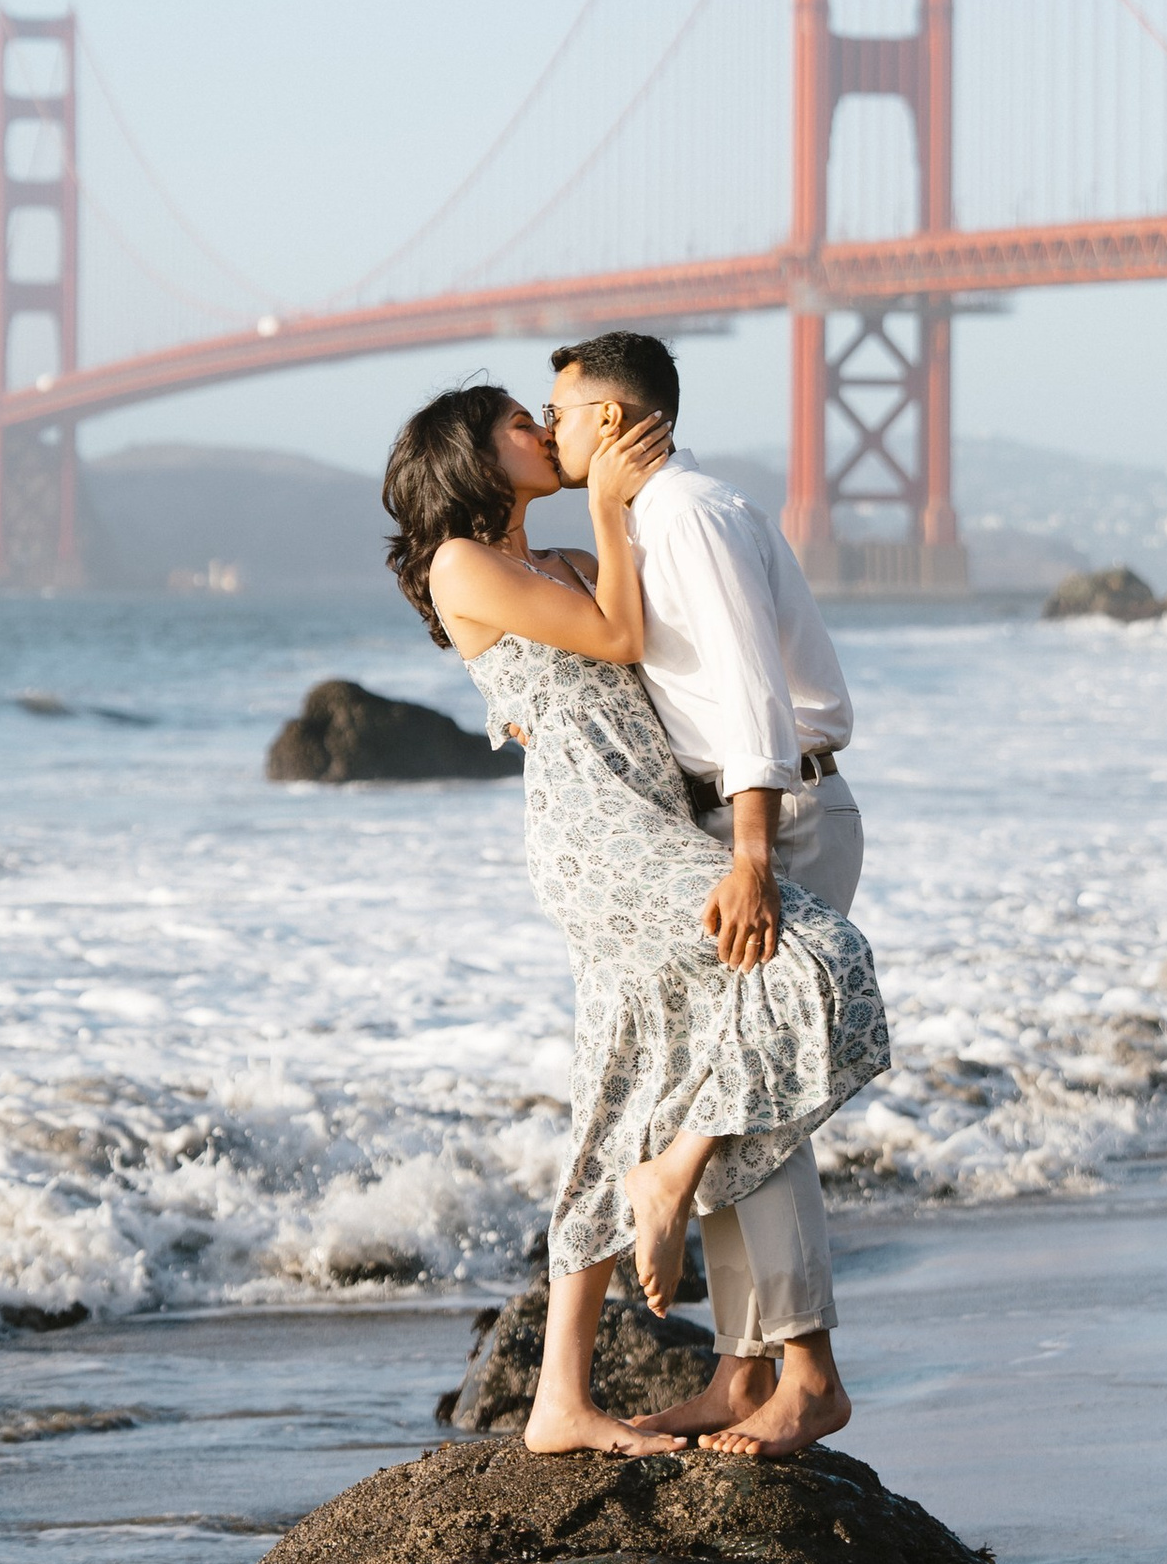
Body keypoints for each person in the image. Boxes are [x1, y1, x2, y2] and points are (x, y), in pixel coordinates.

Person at [381, 372, 889, 1462]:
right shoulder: (462, 560)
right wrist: (612, 505)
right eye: (523, 423)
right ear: (471, 456)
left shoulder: (552, 558)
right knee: (817, 961)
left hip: (653, 817)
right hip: (602, 839)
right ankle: (677, 1185)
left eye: (549, 412)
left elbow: (665, 653)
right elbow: (614, 639)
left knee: (623, 1080)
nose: (544, 430)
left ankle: (561, 1397)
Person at [539, 330, 869, 1456]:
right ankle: (741, 1370)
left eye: (564, 414)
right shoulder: (648, 521)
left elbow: (746, 696)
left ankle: (808, 1375)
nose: (550, 434)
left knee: (751, 1095)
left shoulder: (686, 515)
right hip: (735, 822)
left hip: (778, 822)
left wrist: (749, 858)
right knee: (727, 1084)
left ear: (619, 420)